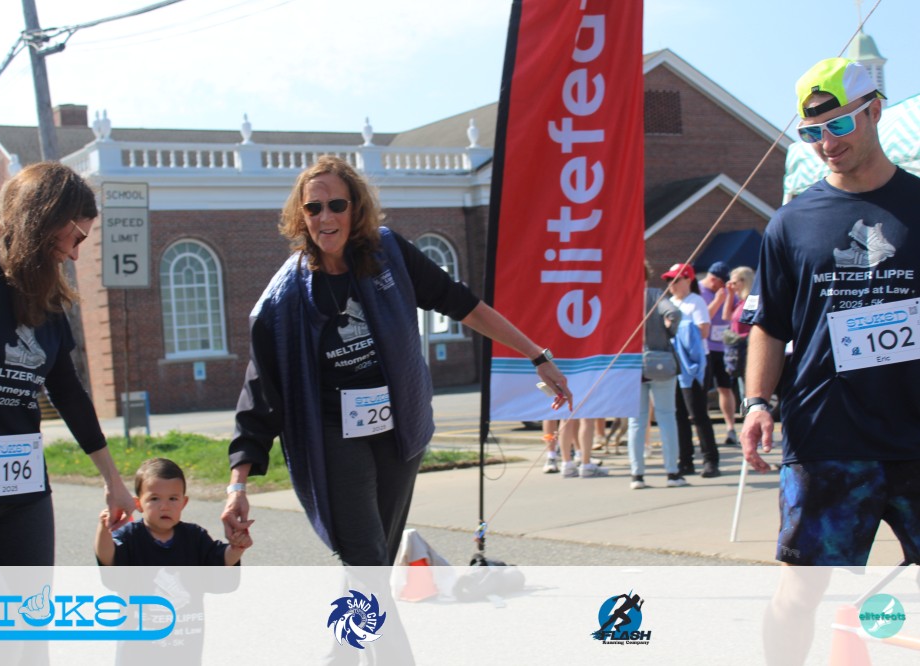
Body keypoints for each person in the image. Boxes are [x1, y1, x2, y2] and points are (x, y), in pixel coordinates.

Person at [222, 155, 571, 567]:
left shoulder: (388, 253)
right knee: (365, 554)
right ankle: (370, 612)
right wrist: (237, 486)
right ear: (302, 216)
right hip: (333, 433)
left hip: (397, 426)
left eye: (337, 205)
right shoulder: (285, 297)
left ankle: (362, 612)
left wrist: (537, 355)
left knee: (381, 553)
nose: (325, 217)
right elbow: (261, 393)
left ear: (356, 208)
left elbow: (462, 304)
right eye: (313, 208)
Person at [740, 58, 920, 665]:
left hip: (915, 430)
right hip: (828, 437)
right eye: (811, 132)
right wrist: (756, 403)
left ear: (875, 110)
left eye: (838, 125)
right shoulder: (791, 223)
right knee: (799, 594)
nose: (826, 143)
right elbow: (769, 324)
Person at [0, 161, 135, 566]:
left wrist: (113, 481)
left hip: (24, 493)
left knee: (30, 611)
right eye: (76, 237)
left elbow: (68, 393)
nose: (75, 253)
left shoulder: (46, 295)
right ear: (46, 217)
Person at [96, 457, 251, 566]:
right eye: (155, 499)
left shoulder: (194, 536)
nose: (165, 506)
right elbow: (108, 558)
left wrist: (236, 548)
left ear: (183, 502)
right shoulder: (129, 536)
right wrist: (104, 527)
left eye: (173, 499)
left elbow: (218, 561)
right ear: (138, 504)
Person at [628, 261, 687, 489]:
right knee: (667, 417)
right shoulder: (654, 294)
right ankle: (672, 472)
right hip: (661, 361)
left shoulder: (624, 297)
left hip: (632, 365)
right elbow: (674, 312)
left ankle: (637, 475)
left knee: (636, 421)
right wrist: (668, 331)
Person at [662, 262, 719, 477]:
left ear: (688, 280)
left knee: (697, 413)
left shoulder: (696, 301)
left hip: (695, 363)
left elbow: (704, 331)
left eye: (676, 280)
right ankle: (685, 460)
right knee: (678, 413)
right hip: (674, 362)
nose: (672, 284)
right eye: (669, 280)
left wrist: (678, 327)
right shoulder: (668, 303)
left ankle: (710, 460)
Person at [699, 261, 739, 445]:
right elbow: (702, 318)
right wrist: (718, 301)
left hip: (724, 348)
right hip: (705, 348)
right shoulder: (698, 291)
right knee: (703, 391)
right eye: (722, 282)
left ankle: (731, 428)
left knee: (725, 388)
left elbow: (733, 314)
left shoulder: (726, 292)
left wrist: (730, 296)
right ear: (713, 279)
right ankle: (705, 431)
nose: (723, 286)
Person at [721, 265, 754, 403]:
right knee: (743, 390)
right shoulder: (740, 302)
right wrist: (729, 294)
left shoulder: (751, 301)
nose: (731, 286)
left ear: (744, 281)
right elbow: (726, 316)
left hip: (748, 349)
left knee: (748, 390)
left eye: (734, 283)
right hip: (738, 350)